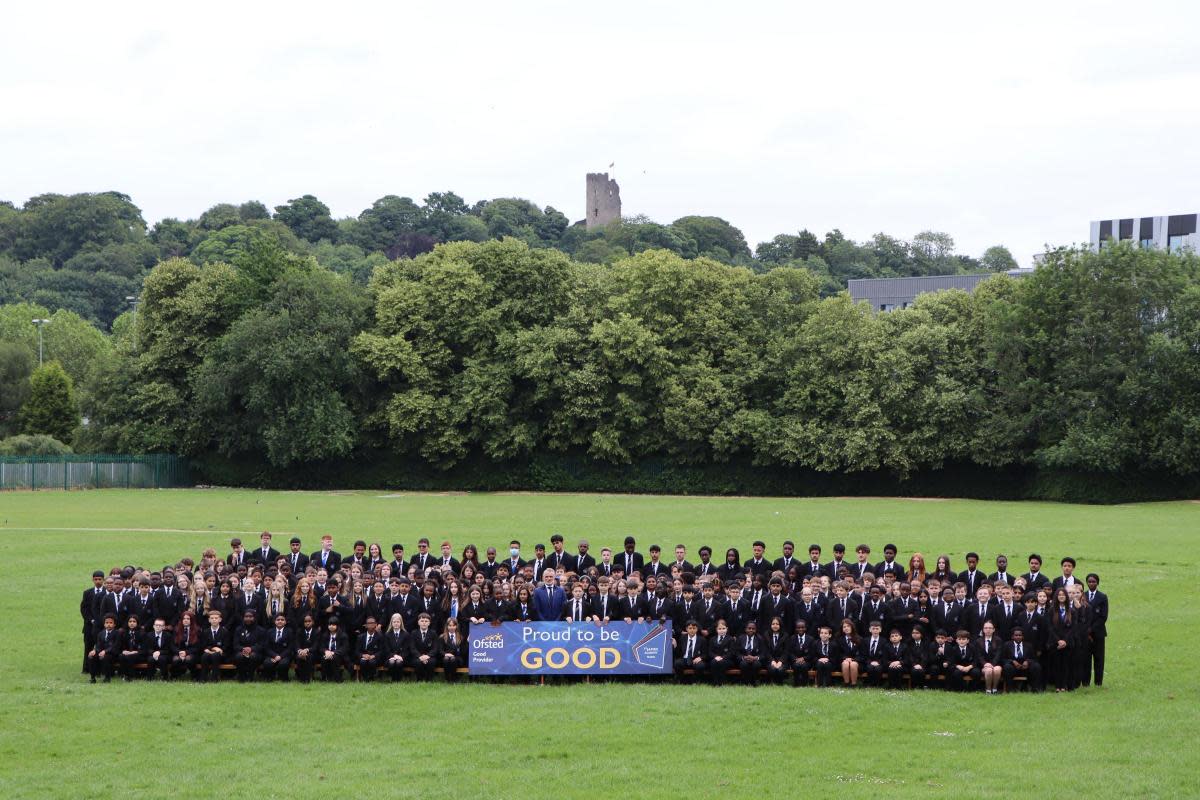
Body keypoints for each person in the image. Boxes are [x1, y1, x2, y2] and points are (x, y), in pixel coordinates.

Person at [1084, 573, 1108, 687]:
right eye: (1089, 581)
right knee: (1086, 659)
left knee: (1099, 658)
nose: (1091, 583)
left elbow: (1103, 616)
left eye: (1093, 581)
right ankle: (1085, 682)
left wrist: (1091, 629)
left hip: (1098, 633)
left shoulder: (1102, 597)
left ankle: (1098, 682)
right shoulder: (1083, 596)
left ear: (1097, 583)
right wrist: (1086, 630)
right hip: (1085, 634)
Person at [1001, 626, 1041, 692]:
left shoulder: (1029, 645)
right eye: (1016, 635)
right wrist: (1012, 661)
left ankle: (1035, 689)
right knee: (1007, 667)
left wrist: (1027, 661)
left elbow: (1034, 659)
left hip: (1025, 669)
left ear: (1023, 637)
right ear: (1012, 636)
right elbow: (1002, 659)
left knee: (1036, 666)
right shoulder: (1007, 645)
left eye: (1020, 635)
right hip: (1013, 668)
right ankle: (1010, 689)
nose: (1018, 637)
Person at [88, 614, 120, 683]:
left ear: (114, 624)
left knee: (105, 657)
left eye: (111, 623)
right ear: (104, 624)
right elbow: (98, 645)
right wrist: (95, 651)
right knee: (91, 656)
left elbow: (115, 646)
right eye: (107, 623)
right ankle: (93, 677)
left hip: (113, 654)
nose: (108, 624)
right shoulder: (100, 634)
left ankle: (107, 677)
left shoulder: (117, 634)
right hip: (102, 653)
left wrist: (105, 651)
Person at [199, 609, 229, 683]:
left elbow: (226, 645)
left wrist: (220, 650)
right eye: (212, 618)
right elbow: (203, 645)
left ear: (220, 619)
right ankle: (203, 678)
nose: (214, 620)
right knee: (204, 656)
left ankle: (214, 678)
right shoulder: (205, 632)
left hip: (221, 654)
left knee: (215, 655)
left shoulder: (225, 632)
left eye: (216, 618)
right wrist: (211, 648)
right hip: (209, 652)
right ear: (209, 620)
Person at [262, 612, 293, 682]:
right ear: (274, 621)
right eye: (278, 619)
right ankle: (269, 678)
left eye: (282, 620)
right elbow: (266, 647)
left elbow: (290, 647)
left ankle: (284, 679)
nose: (280, 621)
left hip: (285, 655)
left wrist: (280, 656)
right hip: (272, 655)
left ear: (285, 622)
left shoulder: (289, 632)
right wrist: (275, 656)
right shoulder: (269, 631)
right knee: (267, 663)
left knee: (283, 663)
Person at [172, 610, 200, 680]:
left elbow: (198, 646)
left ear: (192, 620)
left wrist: (186, 653)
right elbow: (172, 645)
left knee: (189, 660)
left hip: (192, 652)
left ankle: (194, 676)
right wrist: (179, 652)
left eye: (188, 619)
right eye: (184, 619)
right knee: (175, 660)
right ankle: (175, 676)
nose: (186, 620)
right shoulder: (176, 629)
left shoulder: (197, 630)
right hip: (179, 652)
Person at [116, 615, 146, 681]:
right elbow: (119, 646)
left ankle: (131, 676)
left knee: (130, 657)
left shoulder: (142, 633)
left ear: (137, 623)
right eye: (130, 621)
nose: (132, 623)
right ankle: (124, 675)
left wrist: (136, 651)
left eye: (134, 621)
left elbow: (144, 649)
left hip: (139, 654)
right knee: (121, 656)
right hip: (127, 653)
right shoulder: (123, 633)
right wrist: (123, 651)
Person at [977, 620, 1003, 694]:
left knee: (997, 670)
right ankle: (988, 690)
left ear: (993, 629)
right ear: (983, 629)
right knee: (988, 670)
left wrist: (992, 664)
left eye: (990, 628)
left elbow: (998, 654)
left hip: (996, 664)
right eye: (986, 628)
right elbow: (979, 655)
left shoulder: (998, 640)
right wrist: (985, 663)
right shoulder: (978, 641)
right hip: (983, 665)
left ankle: (994, 689)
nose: (988, 630)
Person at [319, 617, 347, 683]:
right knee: (324, 658)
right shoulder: (325, 635)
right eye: (330, 624)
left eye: (333, 625)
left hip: (339, 655)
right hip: (327, 654)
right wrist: (326, 651)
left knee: (335, 658)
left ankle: (337, 678)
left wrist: (332, 653)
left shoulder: (343, 635)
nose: (331, 626)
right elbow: (321, 647)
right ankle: (324, 678)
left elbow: (344, 648)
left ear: (337, 625)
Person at [410, 613, 438, 680]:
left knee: (431, 662)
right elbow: (412, 648)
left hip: (429, 656)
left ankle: (429, 679)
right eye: (422, 621)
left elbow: (435, 648)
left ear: (429, 623)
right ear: (418, 622)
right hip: (417, 656)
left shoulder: (433, 633)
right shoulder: (414, 633)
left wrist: (427, 656)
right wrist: (420, 656)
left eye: (426, 621)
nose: (424, 623)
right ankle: (419, 679)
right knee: (417, 662)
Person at [860, 619, 886, 687]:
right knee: (870, 668)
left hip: (879, 662)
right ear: (870, 630)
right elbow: (863, 654)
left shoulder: (884, 641)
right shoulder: (865, 640)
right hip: (867, 662)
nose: (875, 630)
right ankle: (869, 684)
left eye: (877, 629)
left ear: (880, 630)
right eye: (873, 629)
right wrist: (870, 662)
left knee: (878, 668)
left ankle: (877, 685)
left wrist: (878, 662)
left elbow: (885, 655)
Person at [356, 616, 383, 681]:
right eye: (368, 623)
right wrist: (363, 655)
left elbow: (382, 650)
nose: (370, 625)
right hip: (364, 656)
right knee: (363, 661)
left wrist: (374, 656)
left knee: (372, 662)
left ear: (376, 624)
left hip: (375, 657)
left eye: (372, 623)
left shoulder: (380, 637)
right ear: (365, 625)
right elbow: (356, 651)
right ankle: (365, 678)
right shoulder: (360, 637)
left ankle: (371, 678)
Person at [293, 613, 318, 683]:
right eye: (305, 621)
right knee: (299, 657)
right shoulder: (299, 631)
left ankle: (308, 677)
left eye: (309, 621)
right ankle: (301, 677)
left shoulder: (316, 632)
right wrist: (300, 651)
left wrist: (307, 650)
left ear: (313, 622)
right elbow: (296, 644)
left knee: (309, 657)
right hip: (300, 652)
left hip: (312, 653)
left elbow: (315, 646)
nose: (307, 623)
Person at [836, 618, 861, 687]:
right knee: (845, 663)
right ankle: (846, 684)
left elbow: (862, 654)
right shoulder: (838, 639)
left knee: (853, 664)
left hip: (857, 661)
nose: (846, 628)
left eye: (848, 626)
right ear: (842, 629)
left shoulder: (859, 639)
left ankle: (854, 684)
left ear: (852, 627)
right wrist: (846, 658)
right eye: (844, 627)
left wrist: (853, 659)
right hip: (843, 661)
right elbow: (837, 653)